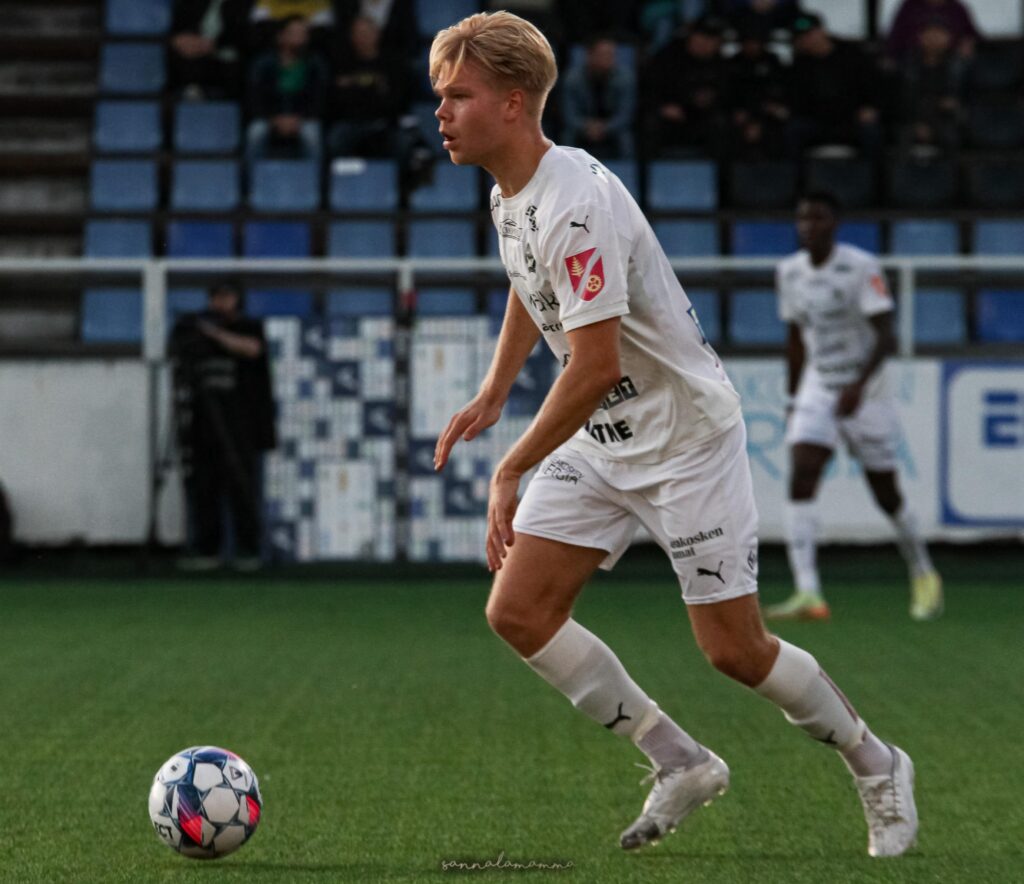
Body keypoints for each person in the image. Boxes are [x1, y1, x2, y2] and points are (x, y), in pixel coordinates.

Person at [430, 11, 918, 858]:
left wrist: (510, 467)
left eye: (458, 95)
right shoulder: (513, 190)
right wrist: (494, 388)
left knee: (735, 651)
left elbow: (594, 366)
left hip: (685, 441)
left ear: (513, 103)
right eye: (440, 95)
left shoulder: (576, 202)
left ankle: (878, 762)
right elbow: (529, 280)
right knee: (519, 611)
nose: (441, 112)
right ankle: (680, 760)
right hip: (605, 440)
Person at [766, 192, 943, 622]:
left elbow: (886, 333)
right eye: (803, 218)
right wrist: (793, 398)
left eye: (818, 218)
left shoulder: (861, 267)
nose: (809, 226)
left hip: (867, 390)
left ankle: (923, 570)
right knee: (802, 472)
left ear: (835, 224)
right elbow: (795, 339)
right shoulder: (789, 272)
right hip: (818, 385)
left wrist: (859, 386)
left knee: (886, 492)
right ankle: (809, 592)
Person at [170, 282, 276, 570]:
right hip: (203, 422)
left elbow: (252, 349)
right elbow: (179, 350)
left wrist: (215, 334)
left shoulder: (248, 326)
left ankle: (248, 549)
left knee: (242, 485)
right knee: (205, 487)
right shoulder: (196, 328)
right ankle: (207, 549)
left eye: (227, 297)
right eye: (216, 297)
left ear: (237, 299)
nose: (221, 303)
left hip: (242, 422)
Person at [787, 12, 884, 159]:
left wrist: (871, 107)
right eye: (802, 37)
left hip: (852, 118)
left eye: (810, 34)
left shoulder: (852, 53)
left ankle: (875, 173)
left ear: (821, 31)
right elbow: (797, 100)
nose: (808, 40)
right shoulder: (801, 65)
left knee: (872, 131)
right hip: (818, 120)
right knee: (794, 130)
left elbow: (874, 87)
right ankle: (795, 174)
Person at [643, 15, 733, 158]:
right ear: (692, 36)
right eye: (702, 37)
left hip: (703, 118)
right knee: (649, 124)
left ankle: (722, 172)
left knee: (722, 125)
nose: (706, 43)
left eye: (712, 40)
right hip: (671, 115)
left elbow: (728, 95)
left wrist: (711, 102)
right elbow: (648, 89)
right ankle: (645, 171)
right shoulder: (668, 56)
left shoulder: (721, 63)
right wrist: (662, 107)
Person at [246, 16, 328, 168]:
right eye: (294, 33)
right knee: (255, 132)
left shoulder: (315, 64)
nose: (299, 38)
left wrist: (299, 119)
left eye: (303, 33)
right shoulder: (263, 64)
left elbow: (319, 99)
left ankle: (314, 181)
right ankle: (251, 180)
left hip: (303, 118)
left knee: (312, 135)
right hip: (270, 118)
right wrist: (274, 119)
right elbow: (255, 98)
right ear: (281, 37)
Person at [327, 15, 409, 157]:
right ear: (352, 37)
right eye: (358, 34)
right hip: (350, 122)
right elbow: (336, 99)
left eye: (366, 33)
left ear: (377, 34)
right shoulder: (341, 63)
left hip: (384, 122)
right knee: (335, 140)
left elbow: (397, 98)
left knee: (403, 142)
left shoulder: (392, 63)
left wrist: (355, 87)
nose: (363, 38)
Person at [897, 17, 967, 153]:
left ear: (948, 38)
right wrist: (918, 123)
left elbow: (963, 98)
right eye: (929, 34)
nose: (934, 39)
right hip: (913, 119)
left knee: (952, 137)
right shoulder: (908, 64)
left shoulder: (958, 65)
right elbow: (904, 99)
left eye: (939, 34)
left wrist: (954, 104)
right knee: (903, 137)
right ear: (921, 37)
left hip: (946, 120)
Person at [561, 36, 636, 160]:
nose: (609, 58)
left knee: (625, 137)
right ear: (589, 55)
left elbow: (625, 115)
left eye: (612, 54)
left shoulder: (626, 79)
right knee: (568, 135)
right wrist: (586, 126)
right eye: (604, 54)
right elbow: (569, 114)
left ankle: (626, 169)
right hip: (583, 125)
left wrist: (605, 128)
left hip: (612, 126)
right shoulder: (572, 79)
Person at [169, 0, 252, 98]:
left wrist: (214, 44)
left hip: (230, 58)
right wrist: (179, 40)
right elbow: (178, 27)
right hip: (194, 53)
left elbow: (247, 34)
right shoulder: (192, 3)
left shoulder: (245, 3)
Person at [887, 0, 980, 61]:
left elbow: (972, 37)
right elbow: (895, 38)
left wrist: (967, 44)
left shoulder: (957, 9)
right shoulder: (910, 7)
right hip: (914, 63)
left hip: (950, 64)